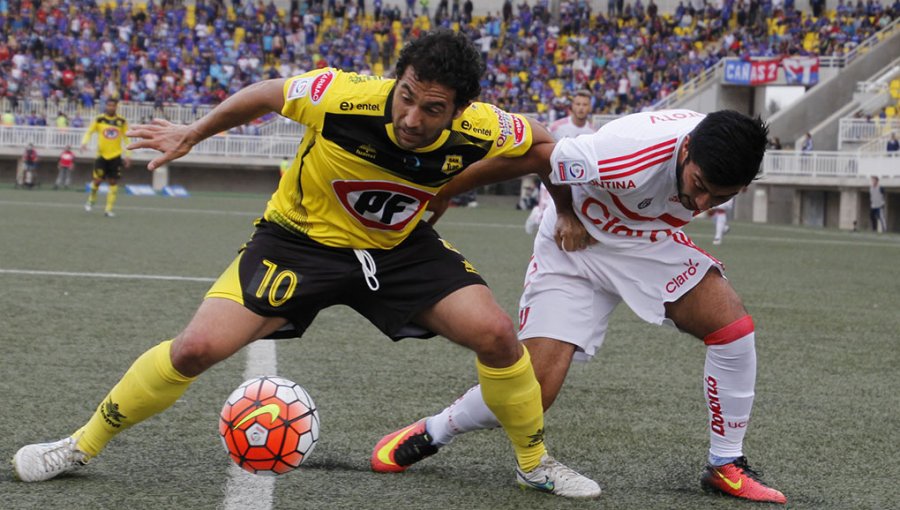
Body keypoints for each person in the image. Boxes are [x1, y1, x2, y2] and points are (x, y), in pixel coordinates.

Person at [13, 31, 600, 499]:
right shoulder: (344, 95)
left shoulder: (486, 126)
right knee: (195, 349)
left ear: (461, 110)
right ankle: (81, 445)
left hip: (396, 248)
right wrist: (194, 131)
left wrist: (561, 210)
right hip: (299, 240)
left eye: (433, 108)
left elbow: (550, 149)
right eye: (407, 96)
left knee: (498, 335)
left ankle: (534, 462)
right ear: (396, 82)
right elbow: (269, 93)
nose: (412, 117)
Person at [374, 110, 788, 504]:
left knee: (732, 329)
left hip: (645, 244)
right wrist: (443, 193)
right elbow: (539, 156)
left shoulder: (723, 154)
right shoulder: (627, 154)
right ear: (685, 151)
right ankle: (435, 431)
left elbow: (702, 192)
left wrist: (703, 196)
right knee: (530, 396)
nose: (701, 204)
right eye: (699, 186)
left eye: (719, 197)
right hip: (574, 247)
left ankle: (725, 463)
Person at [526, 90, 597, 233]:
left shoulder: (593, 132)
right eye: (578, 104)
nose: (581, 107)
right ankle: (536, 215)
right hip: (552, 177)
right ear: (572, 107)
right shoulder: (557, 126)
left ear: (590, 108)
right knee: (545, 218)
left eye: (585, 104)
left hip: (576, 180)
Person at [81, 98, 131, 217]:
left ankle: (108, 209)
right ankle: (91, 199)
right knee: (97, 181)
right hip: (101, 156)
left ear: (116, 107)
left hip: (115, 156)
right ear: (106, 106)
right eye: (109, 105)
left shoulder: (121, 121)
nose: (110, 108)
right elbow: (89, 132)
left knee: (113, 182)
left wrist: (128, 155)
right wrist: (84, 142)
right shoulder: (99, 119)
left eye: (113, 106)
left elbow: (127, 138)